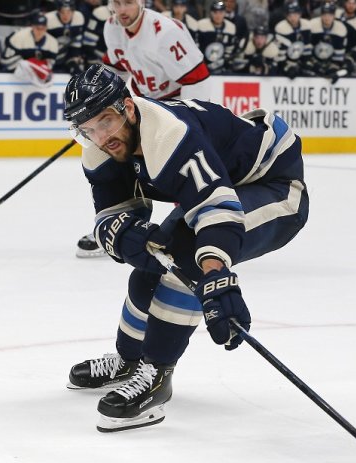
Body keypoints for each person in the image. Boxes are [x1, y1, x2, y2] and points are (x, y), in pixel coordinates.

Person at [63, 64, 309, 432]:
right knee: (152, 262)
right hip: (225, 180)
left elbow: (216, 209)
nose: (101, 137)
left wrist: (216, 275)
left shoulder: (169, 136)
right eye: (88, 129)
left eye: (106, 121)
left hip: (273, 183)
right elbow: (112, 212)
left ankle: (157, 376)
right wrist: (123, 236)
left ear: (128, 108)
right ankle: (129, 360)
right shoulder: (99, 148)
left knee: (190, 256)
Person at [75, 0, 211, 259]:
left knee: (179, 171)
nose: (122, 9)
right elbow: (114, 73)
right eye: (116, 2)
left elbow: (198, 80)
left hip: (177, 107)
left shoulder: (165, 32)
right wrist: (95, 116)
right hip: (143, 106)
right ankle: (120, 227)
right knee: (114, 159)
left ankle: (202, 228)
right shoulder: (111, 27)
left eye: (128, 2)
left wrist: (188, 125)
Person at [0, 12, 58, 88]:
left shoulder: (53, 42)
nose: (40, 31)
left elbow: (49, 66)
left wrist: (34, 67)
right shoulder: (19, 36)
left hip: (28, 65)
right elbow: (6, 62)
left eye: (42, 28)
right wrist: (30, 64)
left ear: (46, 28)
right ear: (32, 27)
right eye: (37, 28)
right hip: (3, 56)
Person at [308, 2, 351, 81]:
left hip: (330, 61)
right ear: (321, 15)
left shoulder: (341, 28)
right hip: (313, 62)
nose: (327, 17)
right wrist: (314, 65)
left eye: (330, 15)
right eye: (324, 14)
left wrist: (333, 68)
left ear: (334, 16)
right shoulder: (311, 25)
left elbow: (339, 54)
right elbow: (307, 50)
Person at [195, 1, 239, 74]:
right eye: (215, 12)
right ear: (211, 13)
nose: (218, 15)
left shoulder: (231, 27)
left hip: (222, 66)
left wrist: (224, 62)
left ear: (225, 13)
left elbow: (230, 49)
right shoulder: (201, 25)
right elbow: (196, 46)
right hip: (202, 65)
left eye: (221, 12)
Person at [273, 1, 311, 79]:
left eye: (296, 14)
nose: (293, 18)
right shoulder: (281, 28)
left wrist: (305, 64)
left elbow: (307, 48)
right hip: (284, 63)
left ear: (300, 14)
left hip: (299, 61)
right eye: (290, 15)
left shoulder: (306, 25)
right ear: (286, 16)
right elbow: (279, 54)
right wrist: (287, 68)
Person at [46, 0, 86, 73]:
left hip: (67, 52)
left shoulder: (79, 17)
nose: (65, 15)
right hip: (50, 54)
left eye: (69, 12)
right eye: (62, 12)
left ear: (73, 12)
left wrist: (75, 57)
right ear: (58, 11)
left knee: (78, 68)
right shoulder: (49, 19)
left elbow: (77, 40)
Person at [82, 0, 112, 65]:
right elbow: (89, 40)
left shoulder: (133, 14)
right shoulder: (100, 13)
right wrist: (92, 59)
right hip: (101, 58)